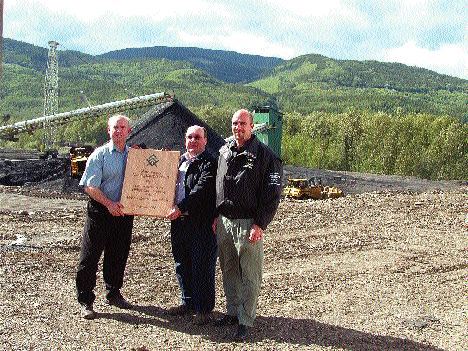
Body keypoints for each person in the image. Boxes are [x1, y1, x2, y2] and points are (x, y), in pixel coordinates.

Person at [214, 109, 283, 340]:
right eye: (234, 123)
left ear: (252, 126)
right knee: (229, 270)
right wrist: (217, 214)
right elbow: (218, 186)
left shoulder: (265, 156)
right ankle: (232, 312)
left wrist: (260, 224)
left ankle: (246, 320)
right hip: (224, 221)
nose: (238, 127)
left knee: (250, 274)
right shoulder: (224, 151)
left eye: (243, 123)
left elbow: (272, 195)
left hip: (248, 223)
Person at [76, 114, 134, 320]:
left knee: (118, 255)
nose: (118, 131)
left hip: (124, 213)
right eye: (114, 127)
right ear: (108, 131)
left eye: (122, 127)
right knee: (90, 257)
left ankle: (113, 293)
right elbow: (89, 186)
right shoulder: (99, 155)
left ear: (129, 131)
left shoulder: (135, 156)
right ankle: (85, 300)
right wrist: (109, 204)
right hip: (101, 212)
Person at [166, 125, 217, 325]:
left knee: (202, 265)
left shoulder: (209, 163)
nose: (193, 141)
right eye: (190, 137)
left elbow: (200, 190)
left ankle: (204, 309)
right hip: (179, 222)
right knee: (182, 263)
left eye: (197, 137)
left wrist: (180, 207)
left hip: (200, 222)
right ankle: (187, 303)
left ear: (205, 141)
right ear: (185, 139)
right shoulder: (178, 161)